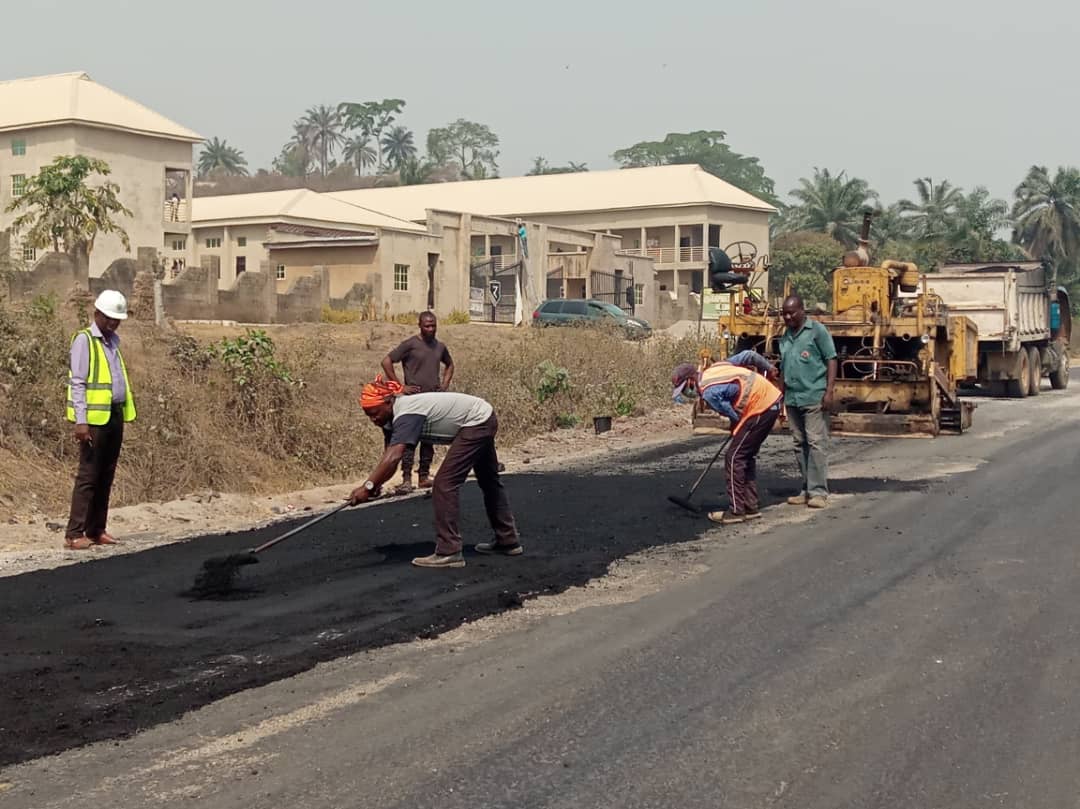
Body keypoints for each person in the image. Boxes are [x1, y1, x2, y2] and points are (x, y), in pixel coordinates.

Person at [349, 376, 520, 569]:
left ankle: (449, 551)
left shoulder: (406, 413)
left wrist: (368, 486)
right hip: (482, 416)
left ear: (389, 401)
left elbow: (394, 456)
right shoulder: (390, 420)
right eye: (368, 416)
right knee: (489, 480)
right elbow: (388, 457)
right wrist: (376, 485)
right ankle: (508, 540)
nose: (373, 419)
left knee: (444, 484)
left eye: (375, 413)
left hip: (476, 422)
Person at [63, 290, 136, 550]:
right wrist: (81, 421)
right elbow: (78, 382)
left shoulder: (113, 342)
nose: (113, 323)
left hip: (114, 415)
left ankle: (96, 529)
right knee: (88, 476)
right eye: (109, 318)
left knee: (106, 475)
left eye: (117, 319)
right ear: (97, 314)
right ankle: (74, 534)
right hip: (93, 420)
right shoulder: (84, 340)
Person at [677, 351, 783, 524]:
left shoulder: (708, 392)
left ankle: (736, 511)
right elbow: (749, 355)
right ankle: (750, 506)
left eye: (684, 389)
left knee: (734, 457)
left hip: (760, 407)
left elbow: (733, 415)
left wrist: (737, 426)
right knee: (745, 455)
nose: (687, 393)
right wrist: (769, 368)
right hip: (772, 401)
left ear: (690, 381)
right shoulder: (718, 367)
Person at [381, 311, 454, 494]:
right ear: (419, 325)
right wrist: (399, 386)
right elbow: (386, 361)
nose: (431, 329)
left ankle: (423, 475)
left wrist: (444, 384)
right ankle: (406, 479)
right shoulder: (411, 344)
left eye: (433, 325)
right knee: (409, 440)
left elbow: (450, 364)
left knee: (429, 438)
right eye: (427, 326)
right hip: (413, 400)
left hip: (433, 400)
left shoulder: (439, 346)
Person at [778, 295, 837, 509]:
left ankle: (819, 492)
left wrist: (829, 391)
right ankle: (805, 489)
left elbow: (831, 359)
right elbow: (784, 368)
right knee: (798, 443)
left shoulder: (817, 331)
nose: (787, 316)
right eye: (784, 313)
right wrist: (779, 397)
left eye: (792, 312)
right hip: (793, 398)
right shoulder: (785, 336)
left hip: (814, 396)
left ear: (802, 310)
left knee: (816, 443)